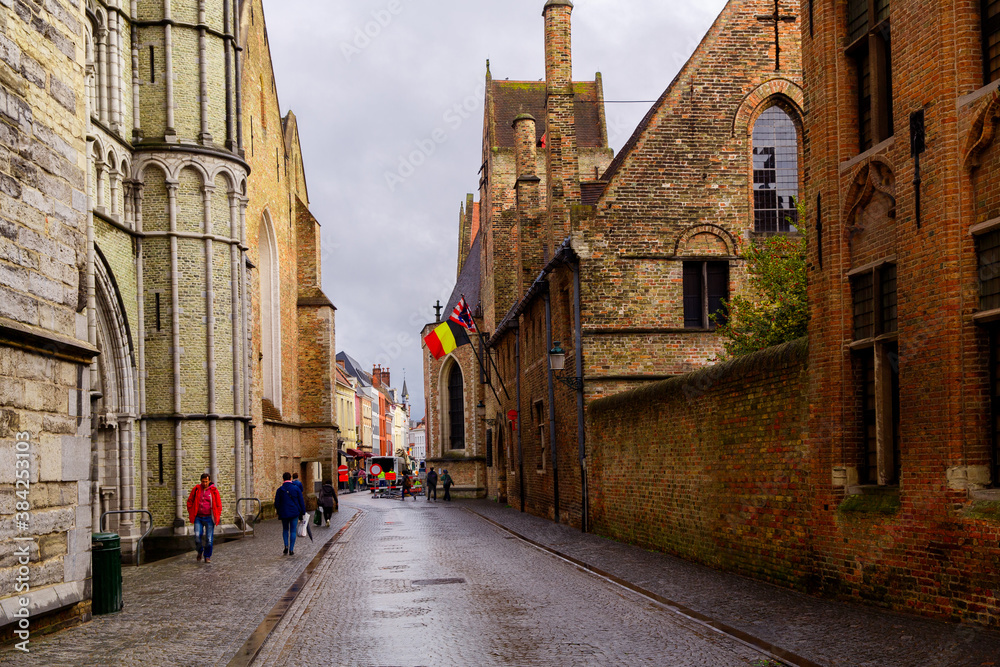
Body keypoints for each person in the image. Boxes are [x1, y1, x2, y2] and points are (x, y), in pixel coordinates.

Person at [186, 473, 222, 563]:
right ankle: (200, 550)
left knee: (209, 539)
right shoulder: (196, 489)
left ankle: (207, 556)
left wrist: (217, 514)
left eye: (206, 481)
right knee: (197, 536)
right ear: (200, 481)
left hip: (209, 517)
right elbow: (190, 501)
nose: (204, 483)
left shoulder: (213, 491)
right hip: (198, 517)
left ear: (209, 481)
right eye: (203, 481)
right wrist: (191, 511)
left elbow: (218, 504)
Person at [274, 472, 306, 555]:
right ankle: (291, 549)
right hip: (294, 512)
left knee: (285, 529)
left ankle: (286, 546)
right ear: (290, 478)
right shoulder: (296, 489)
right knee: (293, 531)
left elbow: (276, 503)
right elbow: (301, 501)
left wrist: (279, 510)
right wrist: (303, 512)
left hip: (284, 513)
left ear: (283, 479)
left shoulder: (280, 490)